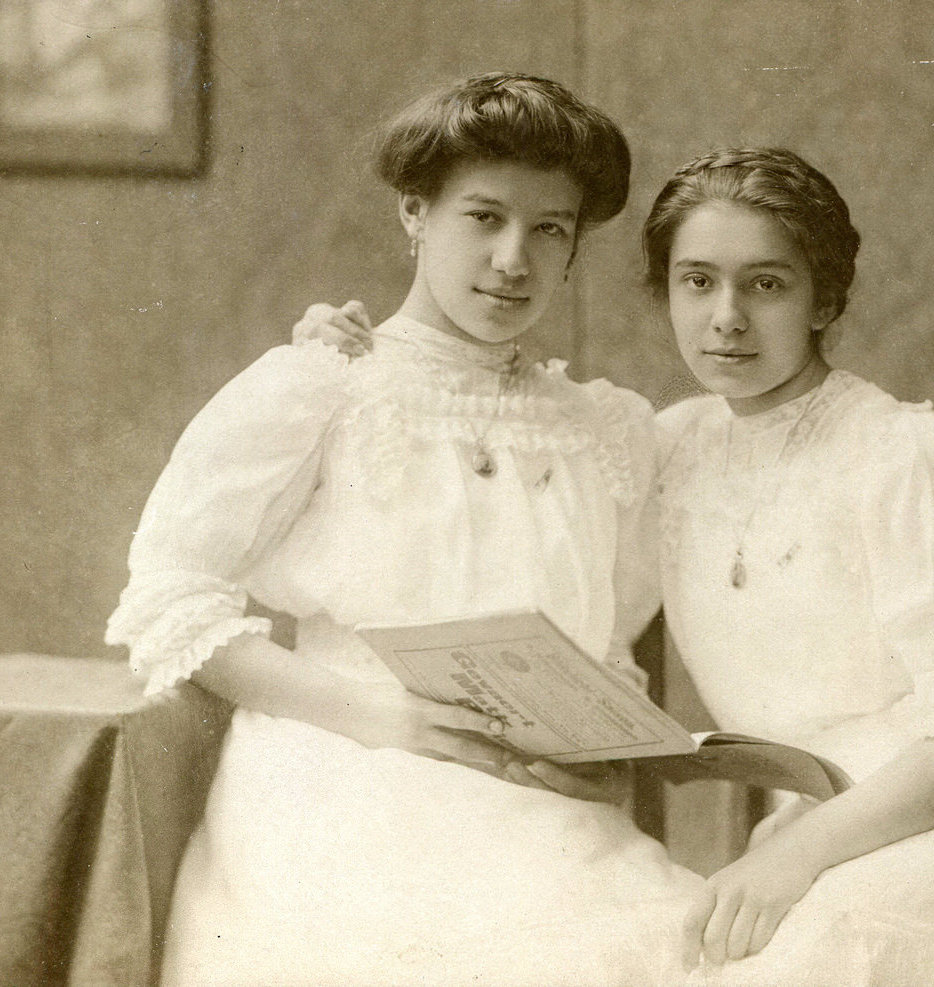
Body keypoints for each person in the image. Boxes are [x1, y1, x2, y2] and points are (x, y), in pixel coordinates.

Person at [298, 147, 934, 986]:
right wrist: (361, 355)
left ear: (825, 301)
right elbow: (499, 458)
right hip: (813, 822)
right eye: (696, 282)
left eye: (767, 284)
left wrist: (799, 852)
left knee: (804, 960)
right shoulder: (666, 446)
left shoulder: (910, 455)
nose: (727, 319)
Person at [106, 72, 703, 987]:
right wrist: (381, 718)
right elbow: (170, 603)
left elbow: (610, 638)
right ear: (414, 213)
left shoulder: (604, 428)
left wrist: (608, 756)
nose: (514, 259)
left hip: (543, 805)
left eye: (550, 229)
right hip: (340, 786)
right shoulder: (321, 385)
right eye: (484, 216)